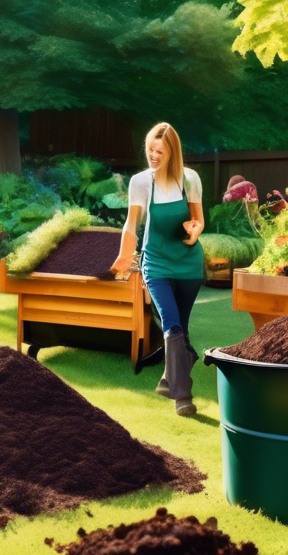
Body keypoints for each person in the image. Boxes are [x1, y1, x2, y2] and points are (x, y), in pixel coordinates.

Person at [111, 122, 204, 416]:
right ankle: (182, 396)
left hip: (188, 264)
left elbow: (198, 219)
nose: (153, 155)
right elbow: (131, 223)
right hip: (156, 264)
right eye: (150, 149)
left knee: (181, 330)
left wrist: (193, 231)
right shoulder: (141, 182)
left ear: (172, 153)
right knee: (171, 323)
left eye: (160, 152)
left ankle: (168, 380)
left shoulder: (189, 180)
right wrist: (126, 254)